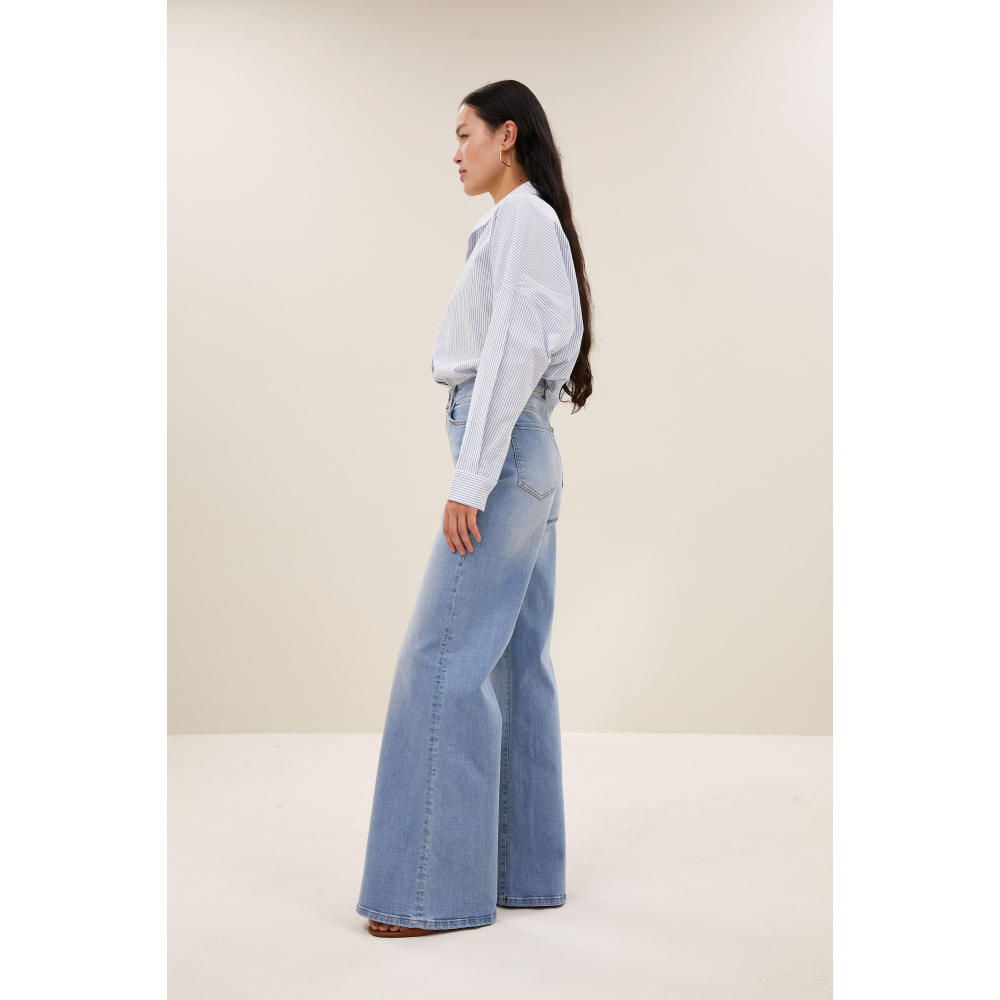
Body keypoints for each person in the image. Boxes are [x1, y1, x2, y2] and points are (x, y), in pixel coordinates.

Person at [357, 79, 594, 938]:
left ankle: (426, 892)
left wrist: (472, 477)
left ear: (507, 135)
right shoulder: (526, 223)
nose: (454, 152)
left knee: (439, 658)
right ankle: (521, 875)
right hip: (528, 454)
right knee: (515, 663)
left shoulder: (523, 219)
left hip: (503, 458)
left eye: (465, 134)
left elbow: (511, 349)